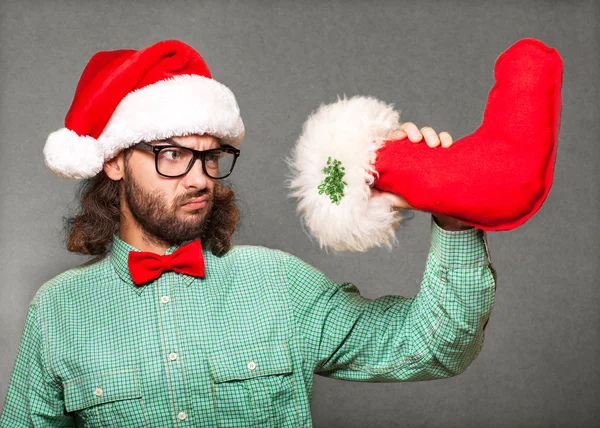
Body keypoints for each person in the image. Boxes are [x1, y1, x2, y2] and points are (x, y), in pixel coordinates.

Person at [0, 40, 497, 427]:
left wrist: (453, 216)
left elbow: (434, 345)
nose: (199, 178)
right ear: (113, 162)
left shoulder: (278, 284)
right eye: (172, 154)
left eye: (210, 157)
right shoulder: (57, 312)